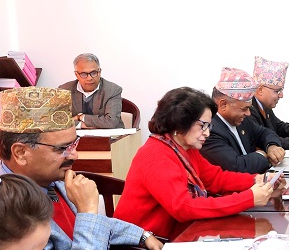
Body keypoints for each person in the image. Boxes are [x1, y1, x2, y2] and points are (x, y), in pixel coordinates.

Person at [0, 87, 161, 250]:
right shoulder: (6, 210)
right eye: (62, 148)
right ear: (21, 153)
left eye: (74, 144)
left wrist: (141, 235)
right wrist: (88, 210)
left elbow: (91, 225)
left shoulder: (49, 180)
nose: (74, 156)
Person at [116, 87, 278, 240]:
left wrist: (256, 180)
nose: (207, 133)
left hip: (176, 237)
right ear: (180, 122)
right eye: (202, 126)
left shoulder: (185, 148)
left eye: (209, 126)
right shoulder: (156, 155)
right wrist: (248, 198)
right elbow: (184, 208)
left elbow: (215, 178)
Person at [202, 67, 285, 174]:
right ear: (223, 105)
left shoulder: (240, 120)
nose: (248, 113)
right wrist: (262, 155)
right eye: (244, 109)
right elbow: (237, 166)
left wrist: (272, 147)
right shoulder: (209, 130)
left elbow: (265, 132)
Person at [59, 52, 124, 129]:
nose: (89, 78)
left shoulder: (113, 90)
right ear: (76, 75)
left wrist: (81, 117)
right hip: (76, 135)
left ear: (99, 72)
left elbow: (110, 122)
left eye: (93, 73)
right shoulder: (64, 90)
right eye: (84, 74)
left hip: (111, 135)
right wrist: (81, 125)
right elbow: (58, 122)